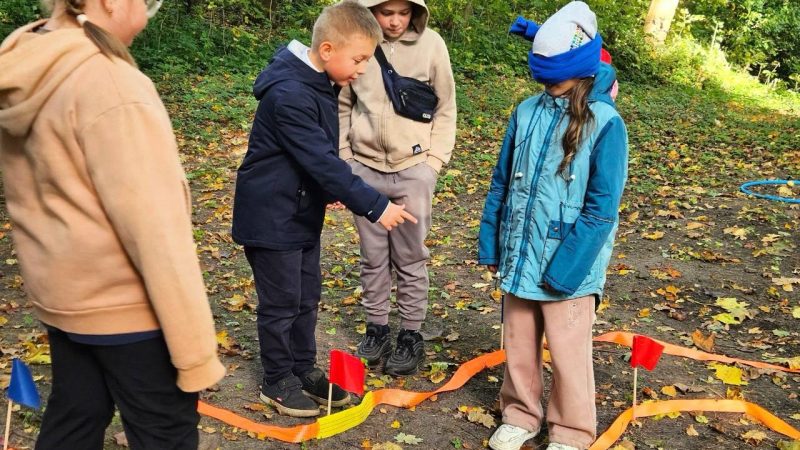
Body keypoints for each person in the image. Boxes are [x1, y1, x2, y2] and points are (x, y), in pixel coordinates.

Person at [0, 0, 226, 448]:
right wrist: (195, 354)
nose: (147, 14)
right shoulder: (110, 82)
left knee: (77, 416)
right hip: (127, 308)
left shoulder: (27, 63)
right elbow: (155, 230)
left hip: (64, 297)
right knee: (165, 433)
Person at [231, 0, 417, 418]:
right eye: (359, 58)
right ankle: (277, 379)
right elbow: (320, 159)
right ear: (328, 49)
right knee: (281, 303)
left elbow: (314, 158)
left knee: (305, 297)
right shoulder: (290, 93)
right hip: (271, 216)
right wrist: (376, 206)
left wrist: (320, 189)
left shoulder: (318, 82)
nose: (364, 68)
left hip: (298, 210)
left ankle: (302, 368)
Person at [477, 2, 628, 450]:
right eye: (540, 79)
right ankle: (520, 414)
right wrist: (492, 242)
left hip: (570, 265)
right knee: (518, 342)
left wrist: (567, 271)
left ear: (580, 71)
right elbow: (502, 181)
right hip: (519, 252)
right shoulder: (525, 111)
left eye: (554, 79)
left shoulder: (606, 124)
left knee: (568, 352)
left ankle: (572, 429)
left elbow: (602, 209)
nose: (546, 87)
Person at [338, 0, 456, 376]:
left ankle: (410, 334)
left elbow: (446, 107)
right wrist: (346, 160)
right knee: (372, 256)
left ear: (414, 12)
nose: (394, 21)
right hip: (365, 171)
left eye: (403, 13)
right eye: (386, 12)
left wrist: (432, 165)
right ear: (371, 11)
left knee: (410, 256)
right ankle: (377, 329)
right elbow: (342, 104)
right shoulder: (358, 44)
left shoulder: (432, 45)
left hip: (413, 170)